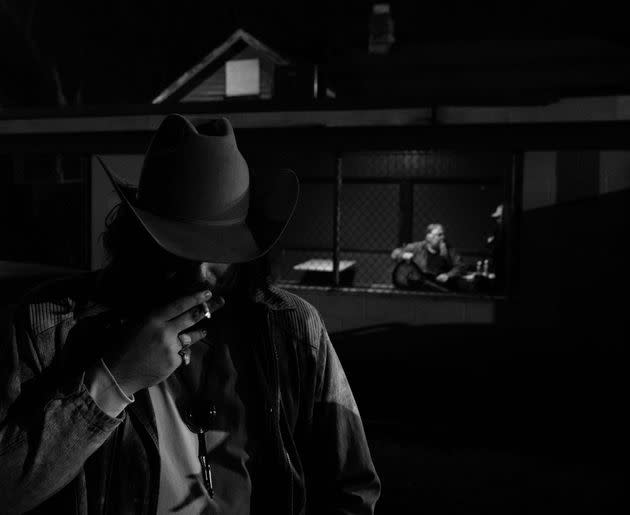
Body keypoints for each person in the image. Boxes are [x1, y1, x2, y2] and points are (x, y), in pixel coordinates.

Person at [0, 114, 380, 514]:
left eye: (221, 251)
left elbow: (352, 488)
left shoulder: (293, 327)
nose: (199, 274)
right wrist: (114, 381)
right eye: (178, 248)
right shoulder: (53, 325)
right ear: (137, 238)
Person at [391, 223, 465, 291]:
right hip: (420, 283)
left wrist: (448, 275)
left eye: (443, 235)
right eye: (439, 235)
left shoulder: (448, 249)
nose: (442, 238)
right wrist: (403, 255)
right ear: (428, 237)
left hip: (438, 285)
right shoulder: (417, 247)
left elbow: (460, 266)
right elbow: (395, 253)